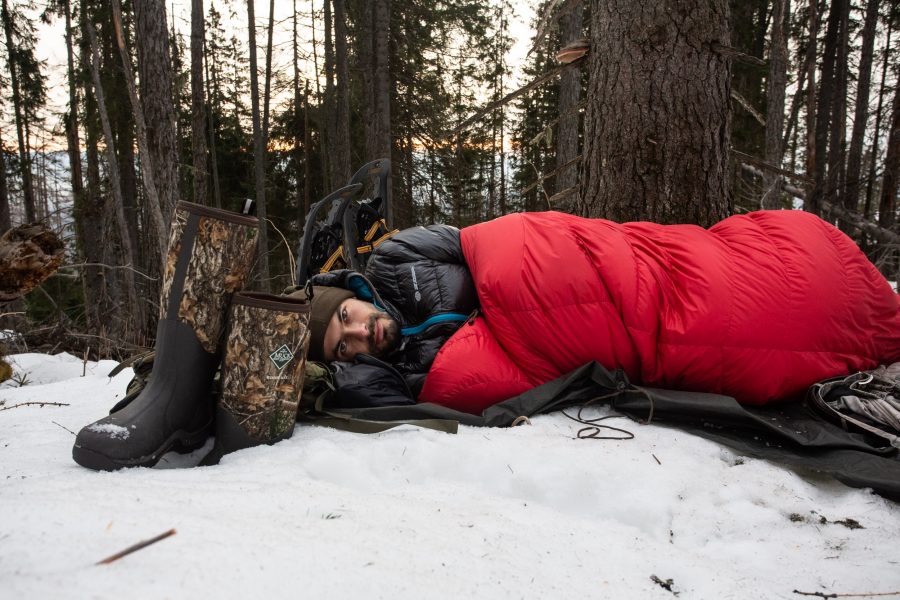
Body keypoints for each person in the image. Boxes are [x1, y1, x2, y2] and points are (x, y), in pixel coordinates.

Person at [307, 209, 899, 415]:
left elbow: (500, 239)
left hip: (625, 265)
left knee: (743, 275)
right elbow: (473, 379)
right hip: (626, 331)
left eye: (346, 318)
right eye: (345, 348)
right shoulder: (412, 377)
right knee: (751, 327)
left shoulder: (397, 257)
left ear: (352, 293)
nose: (361, 333)